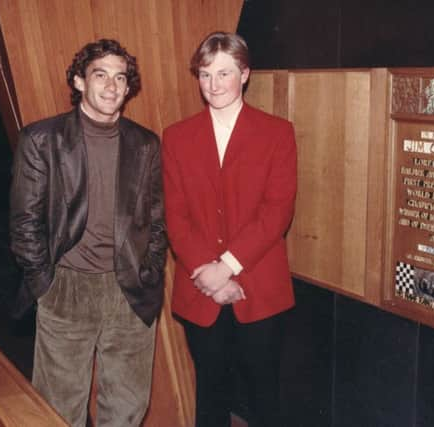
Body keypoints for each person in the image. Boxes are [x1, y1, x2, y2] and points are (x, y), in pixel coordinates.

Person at [9, 39, 167, 427]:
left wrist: (149, 272)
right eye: (101, 75)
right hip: (66, 287)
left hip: (129, 289)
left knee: (128, 407)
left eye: (120, 78)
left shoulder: (145, 144)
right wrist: (45, 283)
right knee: (58, 408)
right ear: (80, 81)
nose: (112, 86)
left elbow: (158, 221)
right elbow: (24, 223)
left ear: (128, 87)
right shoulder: (41, 140)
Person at [162, 32, 297, 427]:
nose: (214, 85)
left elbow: (277, 212)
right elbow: (176, 215)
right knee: (211, 397)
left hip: (260, 286)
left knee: (264, 398)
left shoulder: (277, 133)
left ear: (245, 74)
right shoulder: (177, 136)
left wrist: (228, 266)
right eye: (205, 75)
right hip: (201, 287)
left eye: (224, 73)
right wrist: (211, 274)